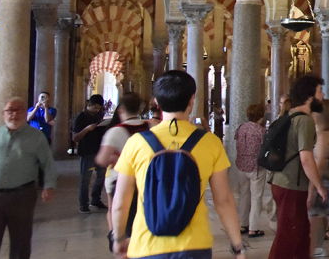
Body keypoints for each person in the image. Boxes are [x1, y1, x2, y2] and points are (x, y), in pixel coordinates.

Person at [110, 70, 245, 259]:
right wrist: (237, 246)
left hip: (147, 246)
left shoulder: (137, 143)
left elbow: (121, 201)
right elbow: (223, 201)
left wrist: (118, 238)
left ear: (156, 102)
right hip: (194, 246)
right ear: (192, 100)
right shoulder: (210, 143)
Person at [0, 98, 57, 259]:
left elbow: (47, 162)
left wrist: (49, 185)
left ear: (25, 112)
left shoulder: (35, 137)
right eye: (10, 110)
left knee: (20, 240)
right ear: (3, 114)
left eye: (19, 110)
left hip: (22, 195)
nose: (14, 114)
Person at [270, 75, 329, 259]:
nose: (323, 95)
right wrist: (319, 186)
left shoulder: (289, 115)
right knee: (287, 237)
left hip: (281, 180)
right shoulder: (304, 121)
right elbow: (306, 158)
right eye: (320, 91)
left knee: (302, 234)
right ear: (310, 96)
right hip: (291, 185)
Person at [96, 92, 150, 249]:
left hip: (119, 178)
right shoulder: (149, 126)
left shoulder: (115, 132)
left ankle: (117, 238)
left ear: (121, 110)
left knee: (116, 210)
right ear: (139, 110)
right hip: (144, 177)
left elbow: (101, 160)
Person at [310, 100, 329, 257]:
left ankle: (312, 250)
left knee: (315, 219)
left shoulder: (323, 136)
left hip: (324, 182)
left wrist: (313, 188)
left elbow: (320, 165)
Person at [234, 103, 267, 238]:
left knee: (244, 196)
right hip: (256, 168)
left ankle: (243, 224)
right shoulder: (261, 131)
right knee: (256, 197)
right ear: (261, 116)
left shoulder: (241, 127)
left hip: (241, 166)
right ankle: (253, 228)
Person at [72, 94, 108, 214]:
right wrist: (87, 129)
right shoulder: (80, 117)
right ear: (89, 105)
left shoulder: (97, 115)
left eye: (99, 108)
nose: (97, 110)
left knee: (101, 176)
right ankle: (83, 204)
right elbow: (75, 137)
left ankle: (95, 200)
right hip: (87, 151)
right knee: (85, 179)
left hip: (99, 150)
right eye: (95, 108)